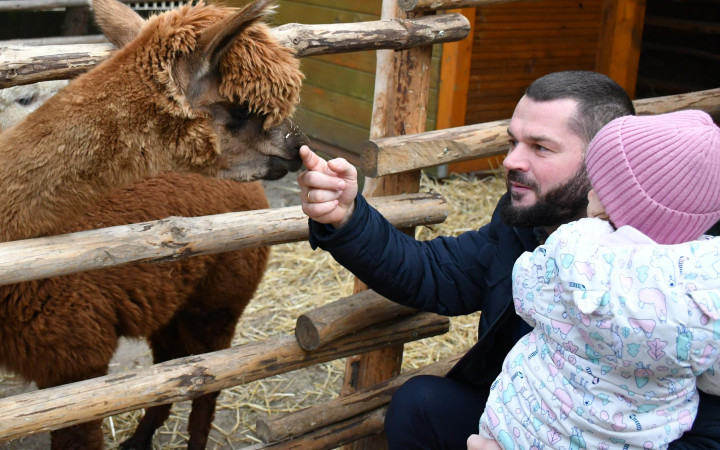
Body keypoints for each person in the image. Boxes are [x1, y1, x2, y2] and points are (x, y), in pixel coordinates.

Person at [298, 70, 720, 449]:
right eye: (512, 142)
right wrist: (348, 217)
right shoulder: (530, 224)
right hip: (525, 419)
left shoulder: (694, 283)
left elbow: (706, 438)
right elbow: (438, 273)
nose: (511, 161)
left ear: (602, 163)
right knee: (420, 405)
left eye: (540, 147)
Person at [468, 109, 720, 450]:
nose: (588, 193)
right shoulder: (710, 282)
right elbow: (713, 379)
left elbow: (526, 294)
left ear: (615, 205)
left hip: (525, 429)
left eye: (599, 187)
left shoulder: (576, 247)